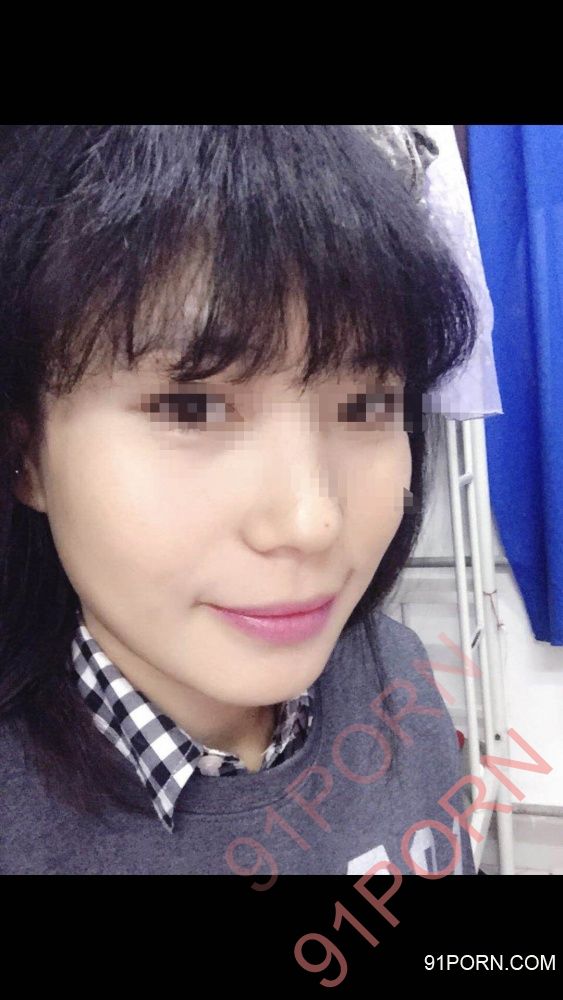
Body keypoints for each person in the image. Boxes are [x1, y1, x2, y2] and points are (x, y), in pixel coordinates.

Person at [0, 125, 478, 875]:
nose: (311, 522)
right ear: (26, 454)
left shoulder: (394, 672)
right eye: (192, 409)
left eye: (365, 406)